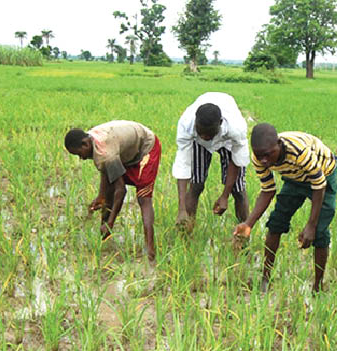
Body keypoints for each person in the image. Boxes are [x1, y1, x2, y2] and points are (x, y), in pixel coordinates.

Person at [234, 123, 337, 293]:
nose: (264, 160)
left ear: (279, 144)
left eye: (268, 155)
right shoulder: (259, 158)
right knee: (275, 223)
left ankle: (318, 286)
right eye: (259, 156)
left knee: (319, 232)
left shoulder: (298, 151)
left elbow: (319, 185)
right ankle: (265, 278)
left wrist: (311, 225)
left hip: (323, 175)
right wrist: (248, 224)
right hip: (294, 178)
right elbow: (268, 190)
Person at [64, 120, 161, 263]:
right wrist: (101, 196)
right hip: (127, 150)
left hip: (146, 148)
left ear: (85, 144)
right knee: (108, 192)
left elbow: (121, 190)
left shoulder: (105, 153)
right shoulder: (93, 140)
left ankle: (150, 251)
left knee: (143, 198)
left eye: (79, 154)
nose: (82, 158)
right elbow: (106, 171)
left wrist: (111, 222)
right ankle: (104, 239)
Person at [173, 92, 250, 230]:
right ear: (195, 123)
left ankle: (243, 234)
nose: (204, 136)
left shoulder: (236, 128)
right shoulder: (187, 124)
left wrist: (225, 196)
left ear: (220, 123)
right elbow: (183, 164)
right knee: (196, 184)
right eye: (201, 132)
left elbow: (237, 160)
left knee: (238, 189)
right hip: (198, 143)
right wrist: (181, 209)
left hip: (227, 141)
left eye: (209, 134)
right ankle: (186, 232)